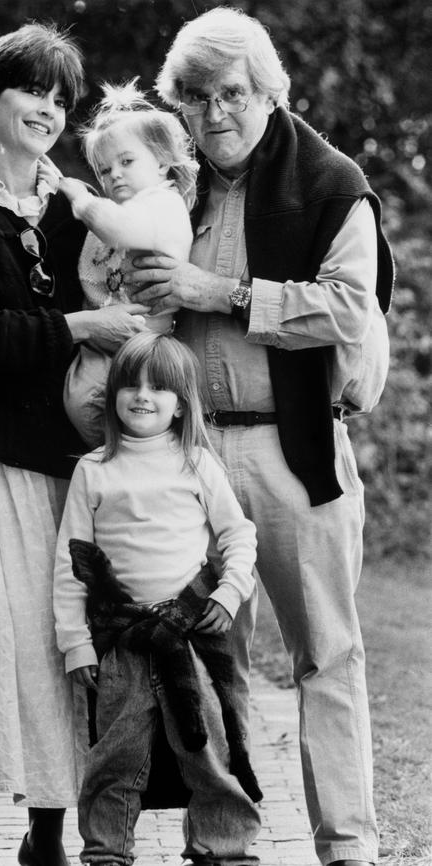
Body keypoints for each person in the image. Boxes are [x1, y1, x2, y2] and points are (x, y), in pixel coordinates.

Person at [125, 8, 394, 866]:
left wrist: (229, 293)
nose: (213, 114)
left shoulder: (330, 180)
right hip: (191, 455)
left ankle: (348, 845)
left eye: (231, 94)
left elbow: (353, 307)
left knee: (326, 654)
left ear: (269, 94)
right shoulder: (174, 185)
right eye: (195, 97)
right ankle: (223, 840)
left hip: (294, 446)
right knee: (207, 651)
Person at [0, 22, 148, 866]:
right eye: (31, 90)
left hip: (83, 464)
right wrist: (82, 323)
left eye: (60, 97)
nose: (48, 108)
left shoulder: (72, 207)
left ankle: (46, 837)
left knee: (72, 649)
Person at [53, 332, 261, 866]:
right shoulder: (94, 468)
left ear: (180, 403)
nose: (143, 396)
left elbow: (238, 535)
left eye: (159, 388)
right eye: (131, 385)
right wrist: (76, 644)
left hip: (188, 636)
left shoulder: (196, 464)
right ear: (114, 393)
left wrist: (231, 590)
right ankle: (106, 850)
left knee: (208, 748)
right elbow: (71, 563)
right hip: (120, 639)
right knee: (115, 755)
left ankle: (223, 846)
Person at [57, 80, 198, 447]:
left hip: (142, 342)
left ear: (164, 163)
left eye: (127, 161)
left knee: (111, 409)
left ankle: (130, 460)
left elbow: (120, 231)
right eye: (103, 170)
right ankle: (117, 459)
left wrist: (80, 199)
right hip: (104, 338)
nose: (114, 174)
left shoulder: (162, 204)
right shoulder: (122, 208)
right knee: (80, 401)